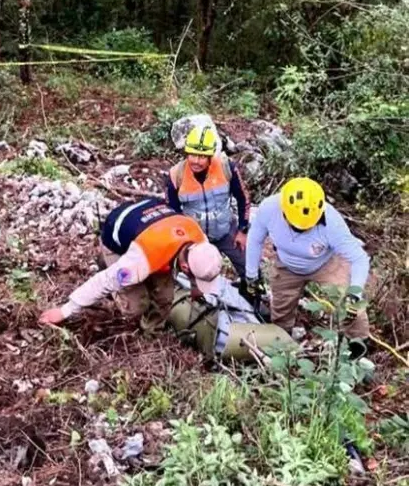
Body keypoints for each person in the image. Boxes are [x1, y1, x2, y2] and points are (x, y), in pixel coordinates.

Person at [38, 196, 223, 329]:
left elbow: (199, 267)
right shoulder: (142, 258)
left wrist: (196, 287)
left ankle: (152, 331)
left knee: (165, 298)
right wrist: (64, 311)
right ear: (184, 267)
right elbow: (105, 281)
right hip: (118, 237)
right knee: (136, 306)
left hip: (150, 221)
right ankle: (107, 261)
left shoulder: (199, 239)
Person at [245, 177, 370, 353]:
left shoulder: (332, 222)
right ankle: (282, 345)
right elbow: (255, 239)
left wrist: (354, 292)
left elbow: (359, 258)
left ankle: (359, 345)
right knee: (281, 309)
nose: (300, 230)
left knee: (350, 306)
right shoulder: (269, 208)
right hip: (286, 265)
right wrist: (251, 275)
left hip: (326, 264)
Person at [166, 125, 250, 280]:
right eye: (192, 155)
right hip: (195, 238)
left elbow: (243, 198)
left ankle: (254, 298)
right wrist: (183, 245)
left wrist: (242, 230)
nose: (196, 161)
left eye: (202, 156)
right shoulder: (176, 175)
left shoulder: (226, 167)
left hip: (226, 231)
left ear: (211, 156)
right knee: (194, 276)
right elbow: (173, 214)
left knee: (249, 268)